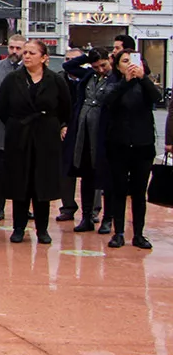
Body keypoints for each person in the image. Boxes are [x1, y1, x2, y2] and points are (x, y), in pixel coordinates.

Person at [0, 40, 72, 245]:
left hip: (46, 136)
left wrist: (55, 124)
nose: (26, 56)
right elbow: (2, 107)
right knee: (20, 182)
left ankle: (42, 229)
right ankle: (18, 228)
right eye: (25, 52)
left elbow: (65, 108)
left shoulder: (55, 80)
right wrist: (17, 124)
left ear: (44, 57)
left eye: (32, 53)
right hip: (19, 134)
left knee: (42, 184)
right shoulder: (13, 79)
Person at [102, 49, 160, 249]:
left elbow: (156, 97)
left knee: (138, 191)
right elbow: (108, 102)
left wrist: (142, 78)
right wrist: (125, 82)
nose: (130, 64)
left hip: (143, 145)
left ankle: (138, 233)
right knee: (118, 190)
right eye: (125, 61)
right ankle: (118, 232)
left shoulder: (144, 84)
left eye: (134, 60)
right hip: (118, 144)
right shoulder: (114, 84)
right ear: (118, 66)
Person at [61, 47, 114, 234]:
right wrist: (87, 56)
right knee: (86, 174)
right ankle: (86, 216)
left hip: (103, 131)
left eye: (103, 65)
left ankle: (107, 218)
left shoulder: (116, 77)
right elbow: (68, 65)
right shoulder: (88, 74)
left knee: (106, 175)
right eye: (96, 66)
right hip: (83, 131)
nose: (100, 69)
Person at [0, 34, 25, 226]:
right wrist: (6, 106)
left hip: (25, 126)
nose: (14, 52)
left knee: (25, 168)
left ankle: (25, 206)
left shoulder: (31, 69)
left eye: (18, 48)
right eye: (11, 48)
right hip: (2, 123)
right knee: (1, 168)